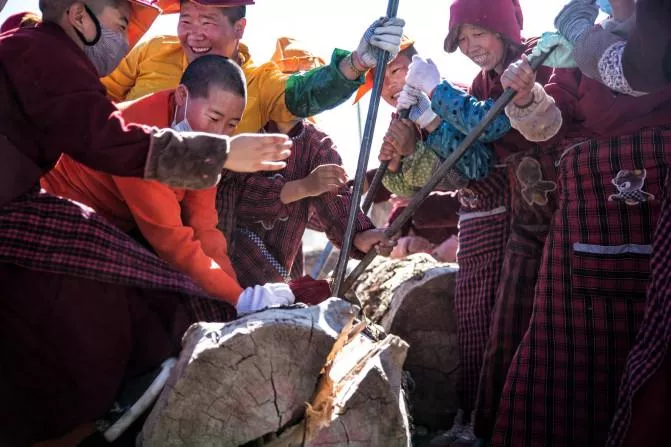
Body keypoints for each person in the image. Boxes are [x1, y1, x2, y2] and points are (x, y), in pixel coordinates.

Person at [0, 0, 291, 443]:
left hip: (28, 201)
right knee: (99, 296)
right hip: (34, 204)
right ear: (81, 17)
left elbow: (205, 228)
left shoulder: (46, 50)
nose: (126, 40)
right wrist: (224, 154)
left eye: (230, 125)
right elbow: (111, 145)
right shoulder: (44, 54)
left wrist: (240, 299)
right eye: (120, 25)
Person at [491, 1, 671, 445]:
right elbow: (550, 128)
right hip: (586, 228)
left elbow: (636, 70)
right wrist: (527, 96)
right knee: (567, 367)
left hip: (662, 213)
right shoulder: (573, 53)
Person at [42, 55, 250, 305]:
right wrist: (239, 300)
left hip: (118, 221)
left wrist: (240, 293)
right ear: (182, 96)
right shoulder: (141, 133)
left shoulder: (205, 143)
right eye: (214, 119)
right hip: (60, 211)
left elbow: (204, 225)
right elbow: (172, 243)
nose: (219, 134)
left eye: (231, 125)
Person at [224, 38, 390, 287]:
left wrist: (361, 235)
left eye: (305, 81)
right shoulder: (245, 127)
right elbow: (240, 199)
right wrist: (303, 187)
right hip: (224, 259)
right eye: (288, 80)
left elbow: (336, 201)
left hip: (280, 267)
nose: (295, 94)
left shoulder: (317, 144)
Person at [102, 0, 406, 135]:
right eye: (186, 21)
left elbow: (302, 94)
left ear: (239, 28)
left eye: (207, 22)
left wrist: (358, 62)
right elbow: (100, 92)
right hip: (109, 180)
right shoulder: (155, 49)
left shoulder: (259, 80)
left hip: (192, 208)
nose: (194, 34)